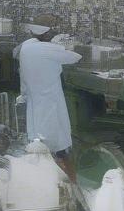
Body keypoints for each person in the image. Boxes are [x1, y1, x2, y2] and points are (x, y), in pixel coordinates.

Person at [17, 20, 81, 181]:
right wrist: (65, 46)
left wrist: (23, 95)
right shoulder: (47, 49)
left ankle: (44, 179)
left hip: (34, 104)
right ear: (46, 34)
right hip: (51, 104)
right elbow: (75, 57)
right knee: (59, 147)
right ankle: (70, 182)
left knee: (39, 145)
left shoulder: (25, 49)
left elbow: (23, 79)